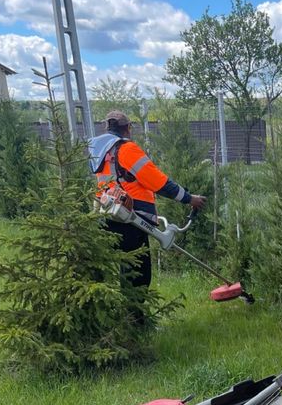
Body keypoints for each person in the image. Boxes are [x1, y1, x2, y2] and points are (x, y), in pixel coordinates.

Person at [88, 110, 206, 298]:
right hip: (132, 218)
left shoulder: (98, 152)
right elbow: (158, 182)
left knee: (126, 268)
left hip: (108, 214)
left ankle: (127, 319)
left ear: (107, 128)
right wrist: (189, 198)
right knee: (138, 273)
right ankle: (136, 321)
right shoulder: (127, 149)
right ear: (127, 128)